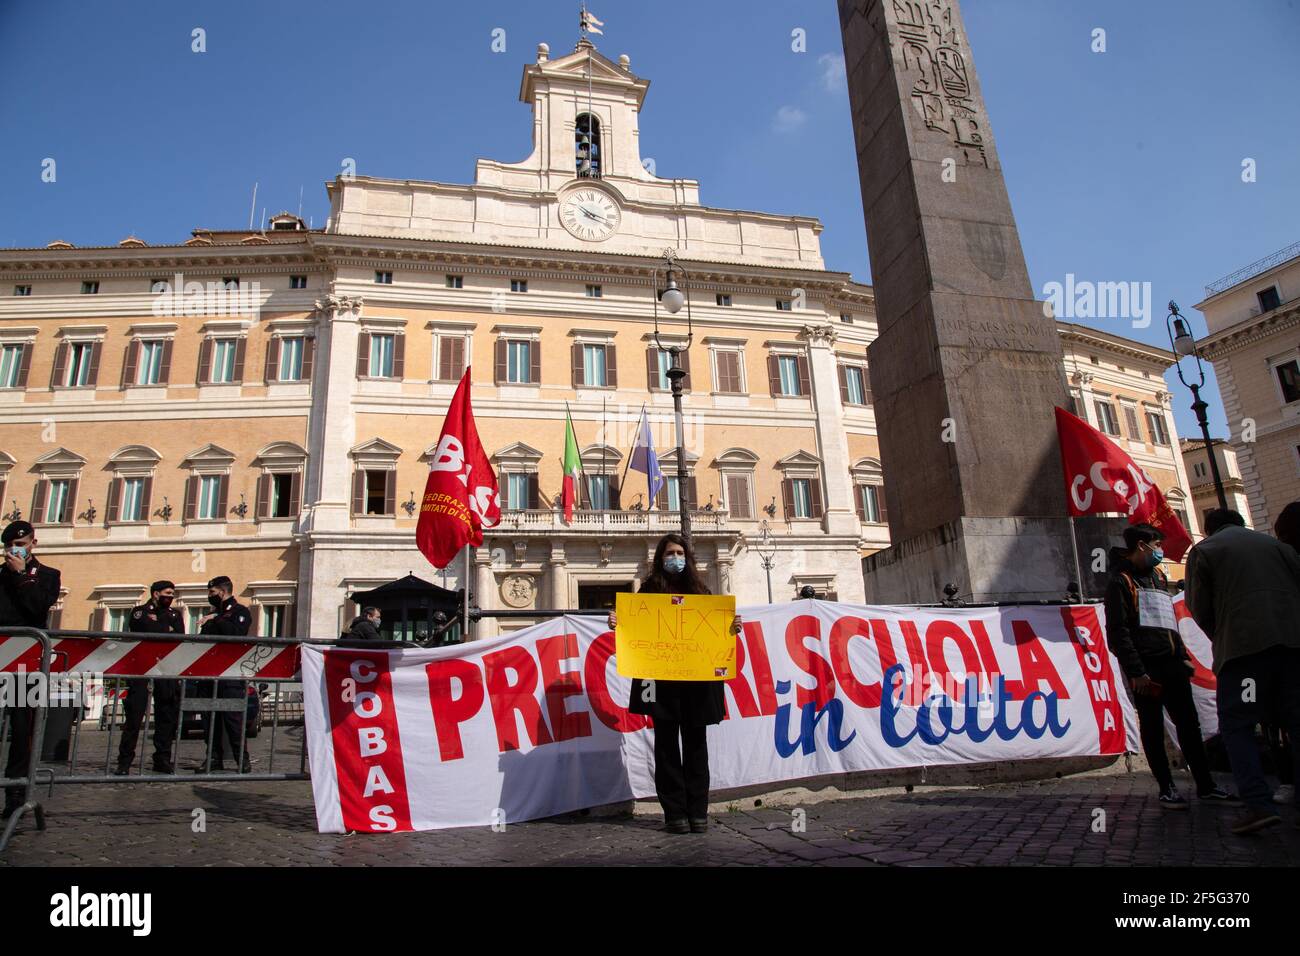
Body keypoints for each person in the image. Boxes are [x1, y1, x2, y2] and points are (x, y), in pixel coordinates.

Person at [607, 533, 742, 834]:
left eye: (680, 552)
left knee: (697, 747)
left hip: (696, 682)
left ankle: (698, 812)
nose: (675, 558)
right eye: (670, 553)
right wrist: (617, 622)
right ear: (660, 558)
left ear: (688, 557)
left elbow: (717, 630)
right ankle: (675, 814)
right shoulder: (648, 591)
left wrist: (732, 626)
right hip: (661, 683)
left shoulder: (701, 591)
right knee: (666, 748)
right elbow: (631, 628)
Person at [1185, 507, 1300, 835]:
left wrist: (1222, 636)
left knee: (1238, 725)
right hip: (1292, 645)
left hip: (1244, 652)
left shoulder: (1205, 550)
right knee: (1297, 721)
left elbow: (1199, 606)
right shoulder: (1278, 547)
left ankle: (1258, 804)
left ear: (1208, 529)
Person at [1103, 523, 1232, 810]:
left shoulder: (1158, 577)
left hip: (1173, 662)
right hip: (1147, 668)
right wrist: (1136, 671)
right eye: (1157, 545)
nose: (1160, 551)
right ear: (1141, 545)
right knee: (1152, 727)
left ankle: (1206, 785)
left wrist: (1183, 654)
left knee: (1189, 725)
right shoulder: (1120, 582)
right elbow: (1118, 631)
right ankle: (1167, 787)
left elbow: (1169, 623)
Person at [0, 520, 61, 819]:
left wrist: (21, 576)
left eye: (20, 545)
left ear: (33, 544)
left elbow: (38, 608)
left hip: (28, 664)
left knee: (23, 731)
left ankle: (15, 795)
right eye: (10, 546)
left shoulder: (47, 575)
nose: (14, 550)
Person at [115, 581, 184, 775]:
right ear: (155, 594)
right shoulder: (139, 611)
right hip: (141, 668)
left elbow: (178, 637)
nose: (171, 596)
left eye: (172, 593)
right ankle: (125, 761)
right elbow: (143, 627)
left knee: (166, 715)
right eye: (167, 593)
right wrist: (165, 629)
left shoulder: (175, 615)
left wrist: (159, 626)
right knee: (134, 716)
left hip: (166, 668)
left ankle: (162, 759)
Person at [195, 576, 253, 774]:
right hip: (208, 675)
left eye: (212, 593)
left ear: (222, 591)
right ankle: (213, 757)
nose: (209, 596)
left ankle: (241, 759)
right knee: (209, 719)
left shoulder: (240, 612)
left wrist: (217, 618)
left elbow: (236, 635)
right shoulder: (213, 614)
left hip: (230, 675)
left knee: (233, 718)